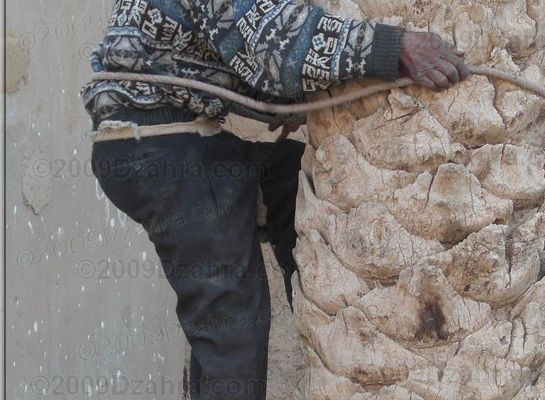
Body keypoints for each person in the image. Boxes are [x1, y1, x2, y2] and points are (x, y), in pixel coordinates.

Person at [81, 1, 470, 399]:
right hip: (166, 148)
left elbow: (236, 43)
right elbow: (277, 42)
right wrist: (397, 46)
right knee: (230, 327)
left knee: (291, 177)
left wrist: (295, 98)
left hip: (167, 145)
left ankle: (321, 310)